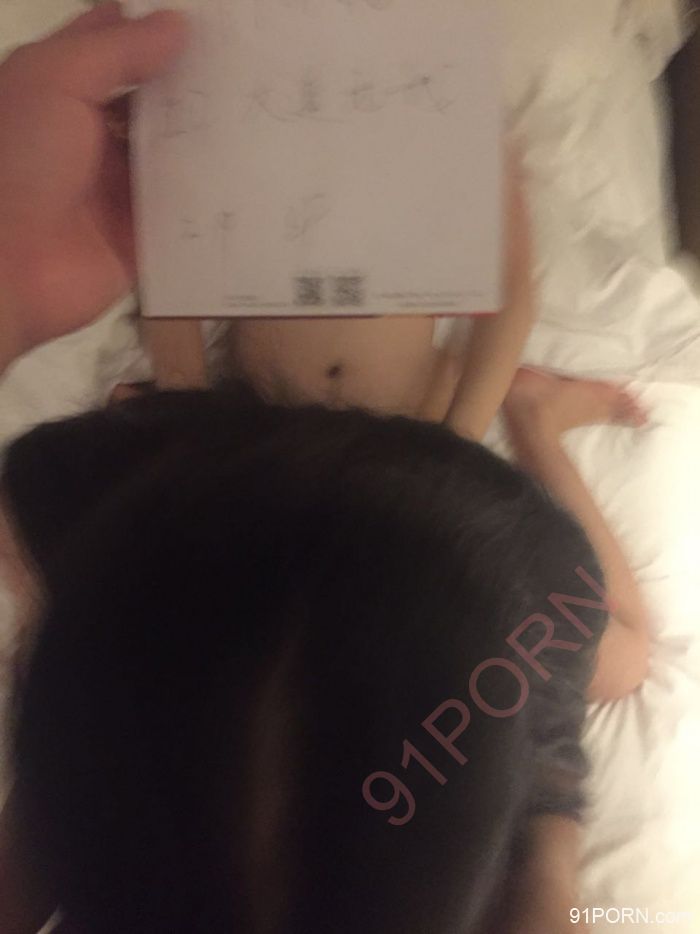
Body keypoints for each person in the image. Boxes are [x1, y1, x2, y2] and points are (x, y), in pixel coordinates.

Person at [0, 5, 650, 933]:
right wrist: (555, 843)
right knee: (620, 658)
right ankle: (540, 423)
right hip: (396, 454)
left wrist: (180, 411)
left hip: (282, 441)